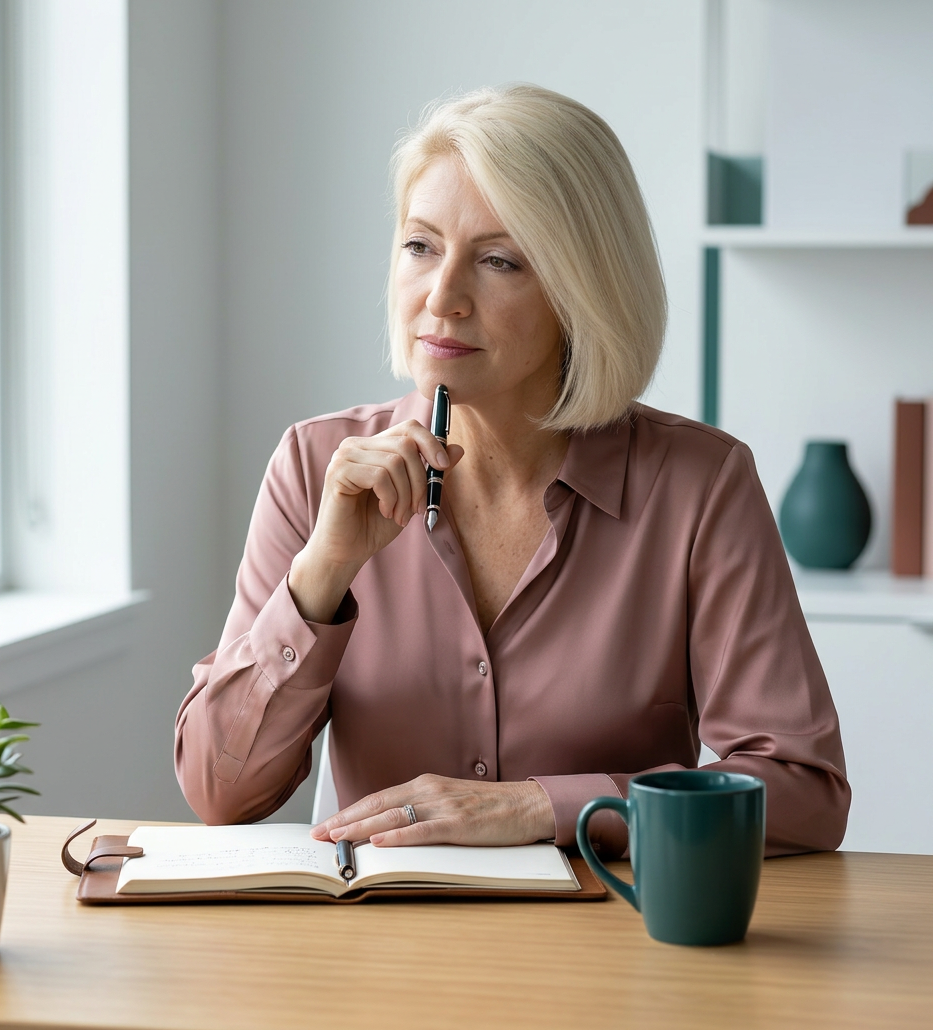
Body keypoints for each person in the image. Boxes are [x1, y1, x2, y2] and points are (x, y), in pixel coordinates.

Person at [175, 84, 850, 858]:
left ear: (582, 290)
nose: (442, 296)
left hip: (611, 953)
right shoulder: (313, 466)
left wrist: (539, 809)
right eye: (420, 246)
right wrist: (321, 574)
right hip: (376, 954)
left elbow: (803, 791)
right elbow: (217, 792)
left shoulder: (699, 486)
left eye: (499, 261)